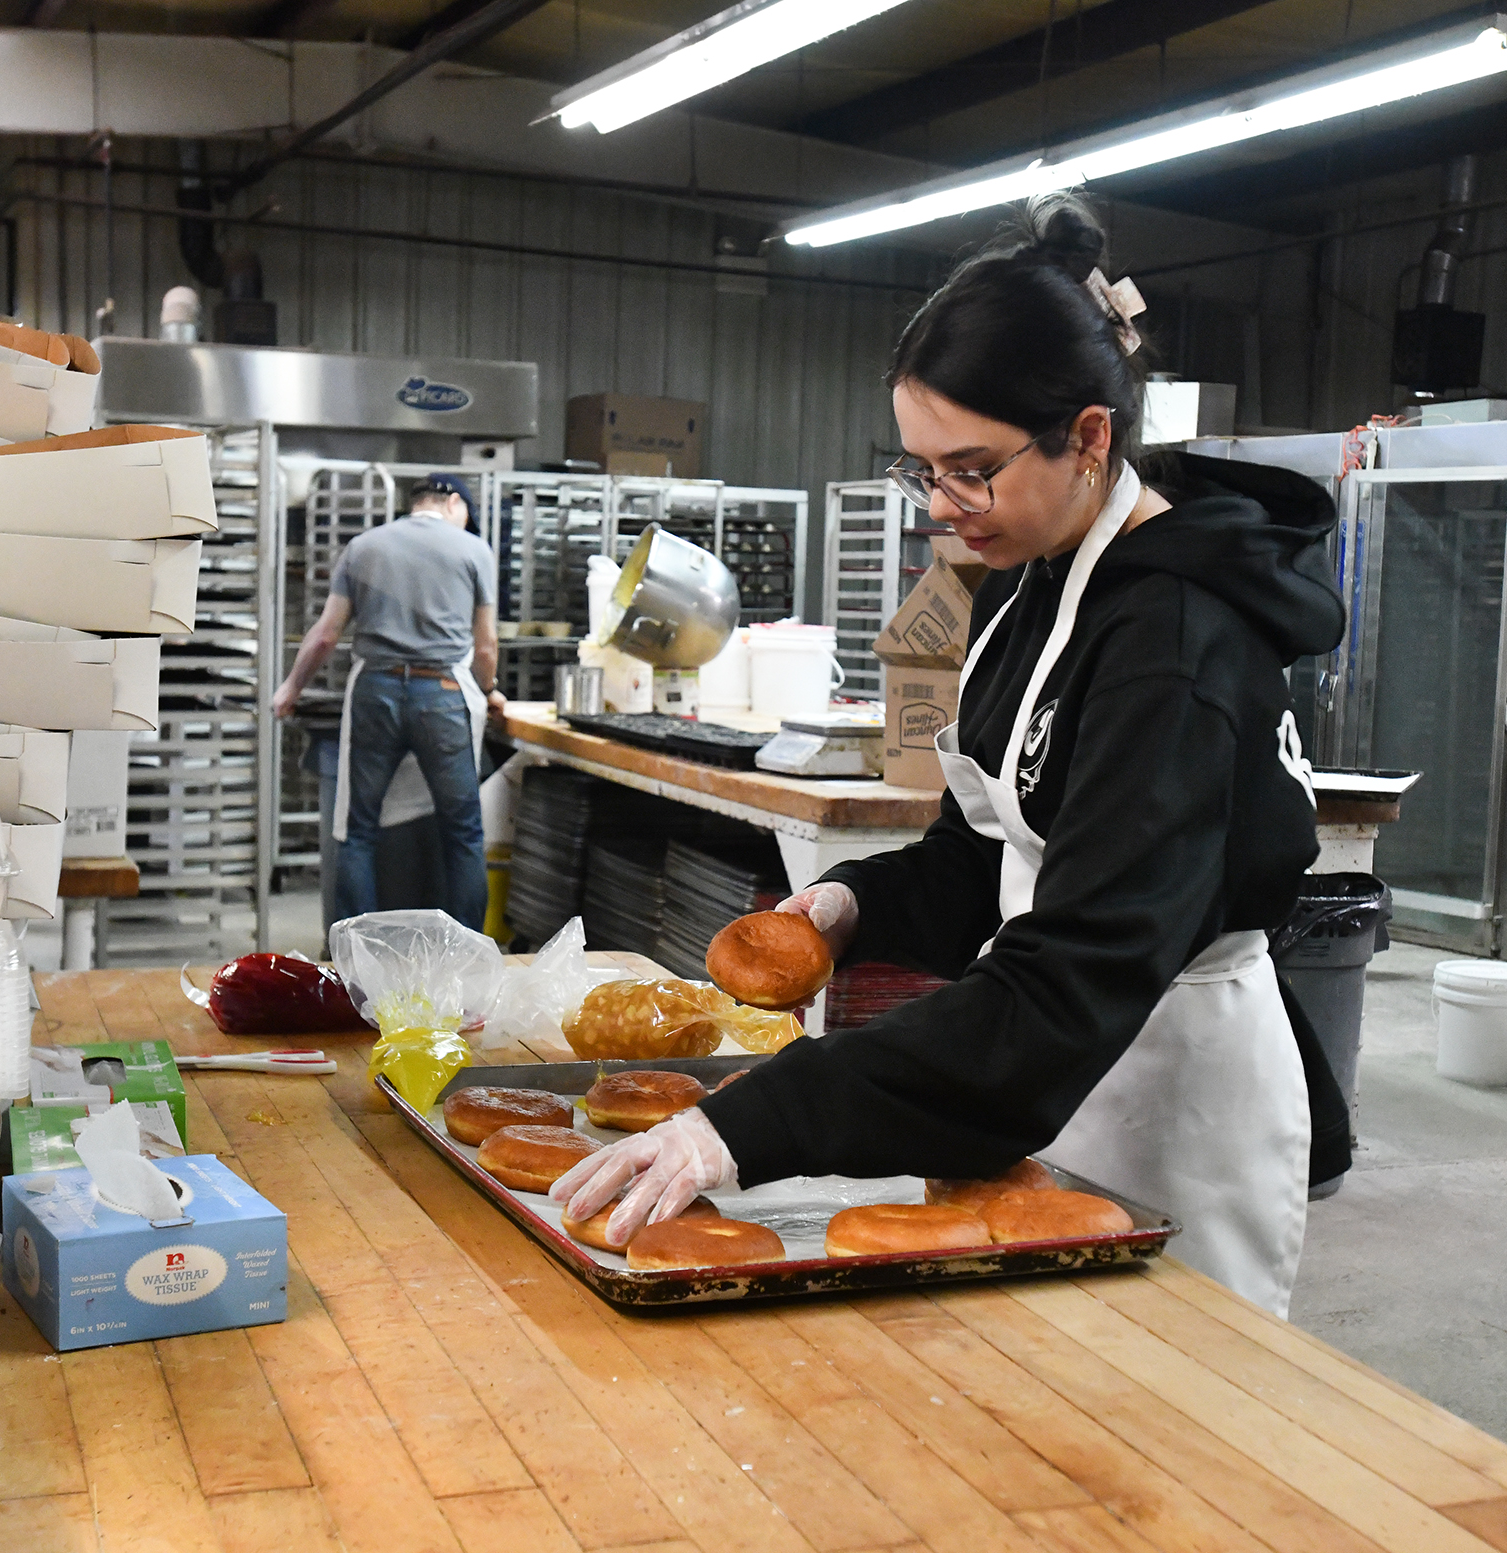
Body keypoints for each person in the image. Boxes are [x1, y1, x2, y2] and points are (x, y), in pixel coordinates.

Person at [553, 194, 1351, 1315]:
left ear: (1089, 437)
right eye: (920, 469)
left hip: (1157, 1086)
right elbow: (990, 849)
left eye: (971, 469)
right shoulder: (1028, 582)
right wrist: (847, 909)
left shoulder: (1174, 642)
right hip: (1031, 1061)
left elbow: (1076, 964)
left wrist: (748, 1123)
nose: (945, 508)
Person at [273, 472, 504, 931]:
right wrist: (489, 687)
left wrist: (291, 688)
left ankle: (352, 956)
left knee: (356, 831)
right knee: (462, 834)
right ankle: (466, 956)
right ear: (454, 503)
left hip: (375, 691)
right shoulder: (475, 551)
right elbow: (485, 647)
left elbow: (325, 635)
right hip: (441, 694)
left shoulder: (363, 547)